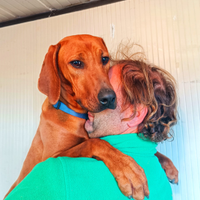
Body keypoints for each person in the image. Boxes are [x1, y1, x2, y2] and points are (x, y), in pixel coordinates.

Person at [5, 50, 178, 200]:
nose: (90, 99)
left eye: (107, 92)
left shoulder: (59, 173)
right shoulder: (163, 182)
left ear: (135, 114)